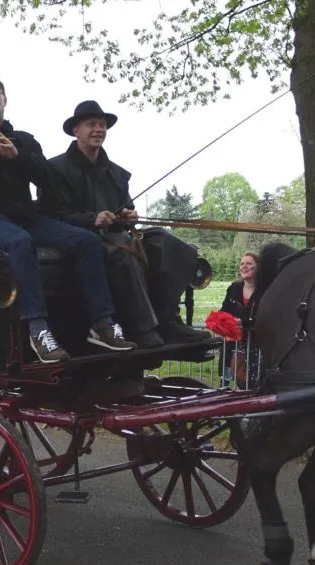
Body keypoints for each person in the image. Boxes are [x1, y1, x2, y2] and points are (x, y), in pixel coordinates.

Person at [0, 75, 136, 363]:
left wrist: (17, 156)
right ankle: (38, 329)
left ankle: (102, 323)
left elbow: (46, 177)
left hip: (25, 218)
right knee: (20, 242)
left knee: (86, 240)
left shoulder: (24, 140)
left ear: (5, 99)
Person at [38, 100, 210, 347]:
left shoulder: (117, 173)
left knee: (171, 245)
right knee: (121, 255)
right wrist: (92, 218)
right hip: (78, 241)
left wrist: (129, 215)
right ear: (76, 130)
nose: (98, 130)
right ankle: (143, 329)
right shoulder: (55, 170)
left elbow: (124, 207)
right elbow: (50, 216)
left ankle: (169, 321)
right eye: (91, 125)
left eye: (102, 125)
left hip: (117, 236)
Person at [219, 252, 259, 387]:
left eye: (249, 263)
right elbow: (224, 310)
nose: (244, 267)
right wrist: (218, 320)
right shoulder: (234, 288)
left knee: (250, 380)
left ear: (257, 267)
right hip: (231, 343)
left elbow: (264, 317)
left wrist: (242, 322)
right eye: (242, 264)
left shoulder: (264, 290)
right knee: (225, 379)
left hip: (255, 344)